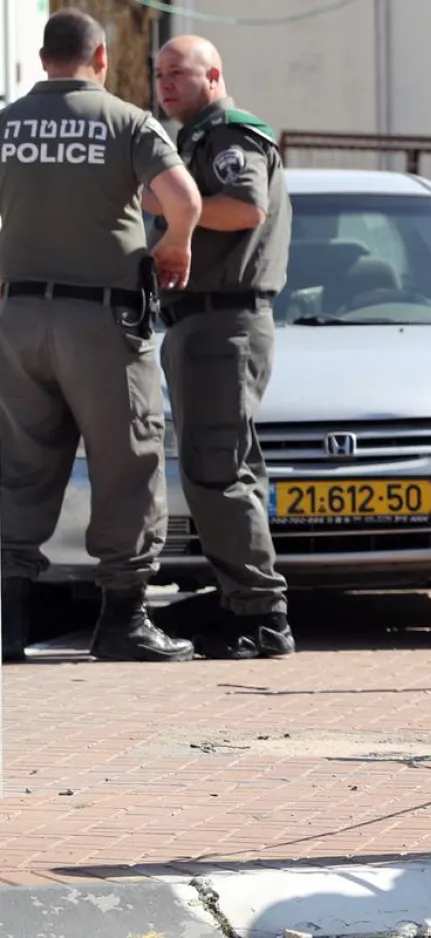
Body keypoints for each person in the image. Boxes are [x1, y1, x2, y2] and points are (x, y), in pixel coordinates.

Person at [0, 10, 202, 664]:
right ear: (103, 59)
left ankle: (6, 624)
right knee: (127, 465)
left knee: (18, 466)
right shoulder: (126, 121)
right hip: (102, 323)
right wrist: (176, 244)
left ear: (42, 58)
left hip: (18, 317)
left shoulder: (8, 124)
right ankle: (123, 620)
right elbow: (185, 199)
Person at [147, 35, 295, 659]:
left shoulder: (228, 134)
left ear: (213, 76)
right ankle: (242, 602)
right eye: (159, 73)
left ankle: (261, 616)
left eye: (178, 72)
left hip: (222, 323)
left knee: (217, 474)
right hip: (206, 324)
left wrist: (171, 203)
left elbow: (245, 208)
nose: (165, 83)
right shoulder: (195, 138)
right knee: (225, 470)